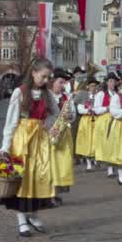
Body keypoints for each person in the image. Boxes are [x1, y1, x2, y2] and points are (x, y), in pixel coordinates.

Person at [0, 59, 60, 237]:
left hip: (40, 141)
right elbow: (11, 122)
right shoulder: (20, 92)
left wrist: (47, 123)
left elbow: (55, 113)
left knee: (39, 176)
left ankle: (33, 214)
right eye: (43, 76)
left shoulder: (47, 94)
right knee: (22, 178)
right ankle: (21, 218)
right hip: (22, 140)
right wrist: (5, 147)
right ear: (33, 73)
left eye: (48, 77)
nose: (46, 80)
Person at [48, 70, 76, 204]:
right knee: (50, 164)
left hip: (64, 135)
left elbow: (73, 115)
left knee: (62, 164)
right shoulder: (46, 96)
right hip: (49, 134)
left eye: (64, 83)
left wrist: (70, 116)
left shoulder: (67, 97)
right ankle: (49, 193)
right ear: (52, 82)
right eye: (60, 82)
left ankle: (56, 192)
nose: (63, 85)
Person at [92, 74, 116, 178]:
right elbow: (96, 109)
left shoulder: (117, 94)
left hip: (115, 120)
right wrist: (107, 108)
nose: (112, 83)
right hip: (104, 121)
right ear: (106, 82)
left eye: (114, 81)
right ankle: (109, 168)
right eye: (110, 81)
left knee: (114, 144)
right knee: (107, 144)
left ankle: (113, 165)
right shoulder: (101, 94)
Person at [74, 79, 99, 171]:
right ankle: (88, 163)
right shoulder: (83, 95)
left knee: (96, 140)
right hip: (86, 120)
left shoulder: (98, 96)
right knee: (87, 141)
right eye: (92, 86)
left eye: (95, 86)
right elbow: (79, 109)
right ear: (88, 87)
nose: (93, 88)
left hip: (97, 119)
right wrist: (88, 110)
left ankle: (96, 159)